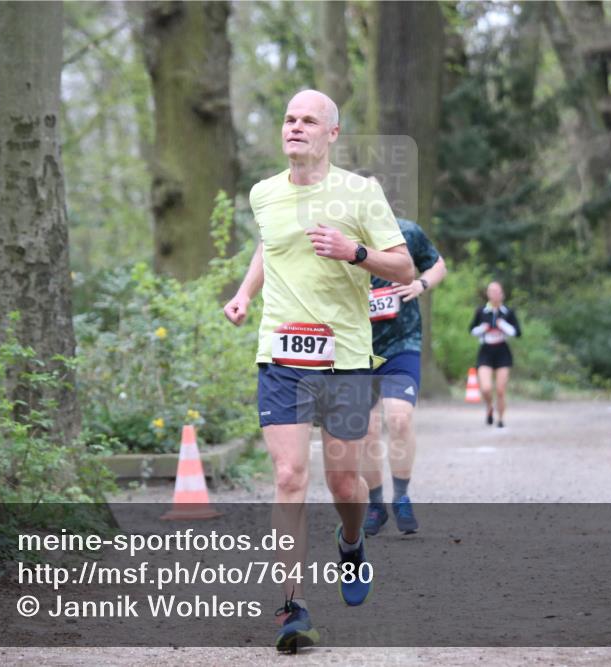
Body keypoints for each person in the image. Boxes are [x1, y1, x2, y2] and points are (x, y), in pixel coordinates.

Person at [223, 89, 413, 653]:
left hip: (347, 359)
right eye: (288, 119)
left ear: (332, 134)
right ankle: (293, 606)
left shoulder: (361, 193)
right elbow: (269, 246)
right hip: (280, 355)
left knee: (345, 483)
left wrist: (354, 252)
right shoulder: (264, 194)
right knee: (288, 477)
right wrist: (243, 293)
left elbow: (401, 264)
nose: (295, 127)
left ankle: (351, 543)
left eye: (309, 120)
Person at [356, 171, 447, 536]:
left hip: (402, 342)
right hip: (357, 347)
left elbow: (438, 263)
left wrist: (422, 284)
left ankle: (403, 496)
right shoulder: (341, 241)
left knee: (400, 419)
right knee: (364, 429)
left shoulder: (407, 233)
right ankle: (376, 505)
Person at [469, 281, 521, 427]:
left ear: (502, 294)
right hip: (486, 351)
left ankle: (501, 419)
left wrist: (502, 325)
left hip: (502, 352)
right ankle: (489, 407)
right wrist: (482, 328)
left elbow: (517, 332)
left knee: (500, 389)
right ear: (487, 294)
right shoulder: (481, 311)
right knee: (486, 388)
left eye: (497, 291)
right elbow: (471, 330)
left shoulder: (508, 312)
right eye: (491, 291)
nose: (494, 294)